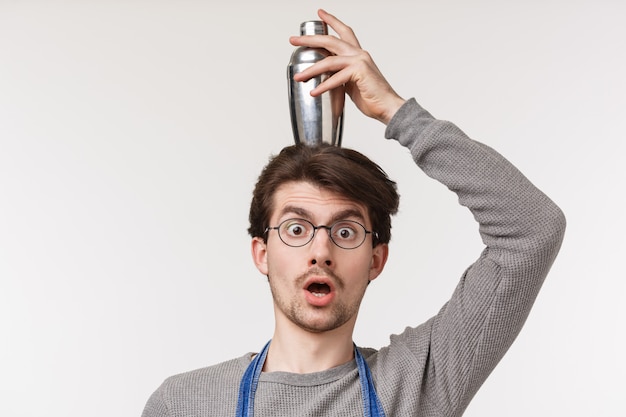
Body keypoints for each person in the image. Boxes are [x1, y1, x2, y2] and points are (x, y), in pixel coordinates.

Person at [141, 9, 566, 417]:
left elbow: (532, 228)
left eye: (346, 232)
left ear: (376, 260)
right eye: (295, 228)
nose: (320, 250)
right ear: (262, 253)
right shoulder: (184, 404)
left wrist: (398, 114)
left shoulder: (419, 383)